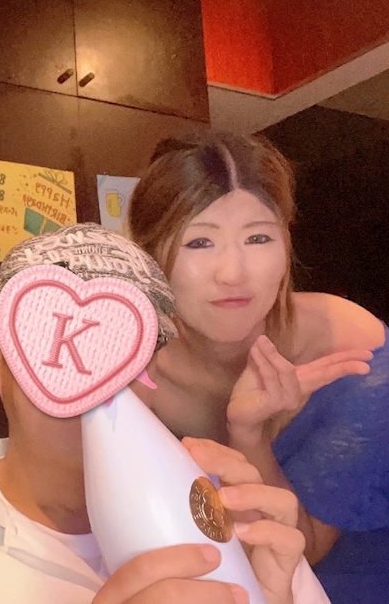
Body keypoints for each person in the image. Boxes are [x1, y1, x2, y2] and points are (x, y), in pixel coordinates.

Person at [0, 223, 329, 604]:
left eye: (123, 348)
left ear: (158, 369)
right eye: (55, 342)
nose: (94, 382)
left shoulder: (234, 520)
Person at [126, 129, 388, 602]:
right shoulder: (133, 377)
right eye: (199, 243)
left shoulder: (345, 345)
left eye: (258, 237)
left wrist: (248, 435)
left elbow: (305, 550)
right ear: (148, 256)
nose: (233, 273)